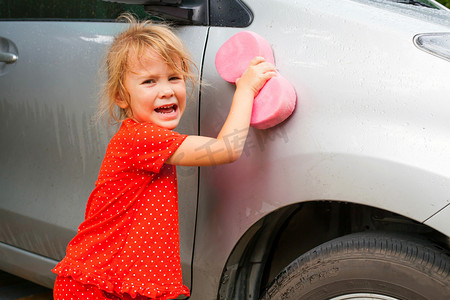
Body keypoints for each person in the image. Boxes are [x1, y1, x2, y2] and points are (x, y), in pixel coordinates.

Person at [52, 13, 276, 300]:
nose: (166, 90)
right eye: (149, 81)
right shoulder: (140, 138)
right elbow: (226, 149)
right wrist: (246, 89)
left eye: (174, 77)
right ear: (121, 97)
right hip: (97, 287)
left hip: (120, 285)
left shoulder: (149, 138)